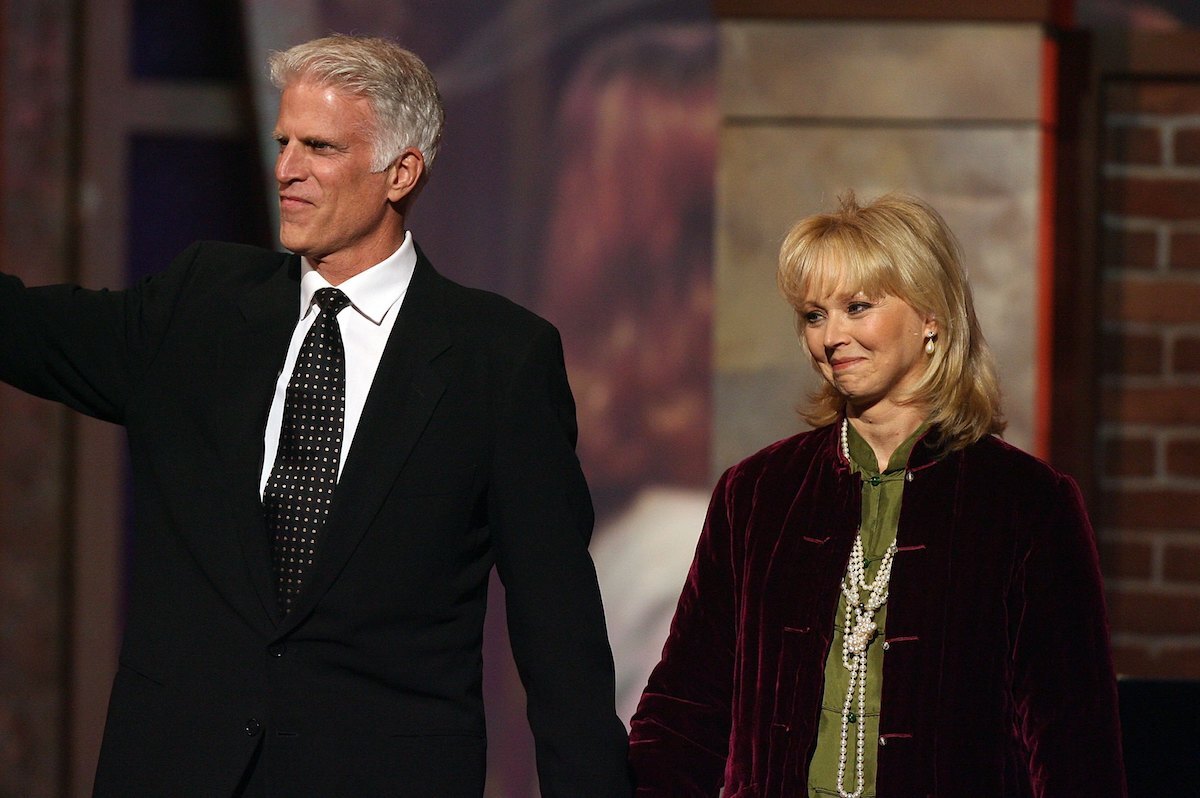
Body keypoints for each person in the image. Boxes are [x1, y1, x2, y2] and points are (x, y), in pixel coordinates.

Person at [0, 35, 630, 797]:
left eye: (319, 147)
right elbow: (25, 329)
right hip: (177, 770)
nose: (286, 170)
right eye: (283, 142)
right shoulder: (201, 303)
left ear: (401, 172)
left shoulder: (498, 360)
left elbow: (558, 631)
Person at [627, 193, 1126, 797]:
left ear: (931, 316)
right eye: (814, 316)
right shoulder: (758, 493)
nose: (832, 337)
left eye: (857, 307)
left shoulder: (1025, 503)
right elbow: (685, 707)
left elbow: (1074, 744)